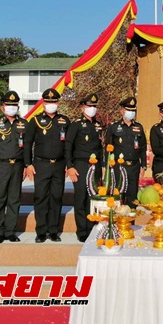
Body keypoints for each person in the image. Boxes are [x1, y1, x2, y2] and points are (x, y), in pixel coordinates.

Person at [0, 91, 34, 244]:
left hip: (17, 166)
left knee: (14, 199)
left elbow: (27, 147)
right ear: (2, 107)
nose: (11, 107)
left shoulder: (24, 124)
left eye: (14, 105)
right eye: (8, 104)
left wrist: (27, 165)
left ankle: (11, 231)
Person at [28, 88, 70, 243]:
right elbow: (27, 143)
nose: (51, 104)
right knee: (41, 197)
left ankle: (53, 230)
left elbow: (68, 145)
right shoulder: (36, 120)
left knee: (56, 197)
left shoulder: (64, 121)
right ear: (43, 103)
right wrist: (28, 164)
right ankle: (41, 231)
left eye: (53, 101)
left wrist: (69, 163)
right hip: (41, 164)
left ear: (57, 103)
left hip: (59, 165)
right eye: (48, 101)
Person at [65, 93, 103, 242]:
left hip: (95, 166)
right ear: (82, 108)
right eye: (89, 106)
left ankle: (92, 226)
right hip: (80, 165)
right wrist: (70, 166)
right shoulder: (76, 125)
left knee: (92, 198)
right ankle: (82, 230)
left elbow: (100, 147)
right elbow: (68, 146)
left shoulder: (98, 125)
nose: (91, 109)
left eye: (94, 106)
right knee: (80, 198)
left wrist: (102, 166)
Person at [105, 96, 147, 208]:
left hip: (134, 167)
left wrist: (143, 165)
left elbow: (143, 148)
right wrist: (107, 167)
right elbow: (107, 148)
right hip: (119, 167)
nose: (131, 112)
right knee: (118, 197)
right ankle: (118, 224)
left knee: (133, 198)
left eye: (133, 110)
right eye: (128, 110)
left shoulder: (139, 127)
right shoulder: (114, 127)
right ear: (122, 111)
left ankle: (131, 224)